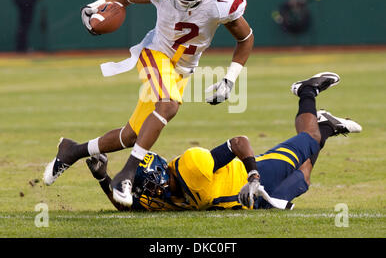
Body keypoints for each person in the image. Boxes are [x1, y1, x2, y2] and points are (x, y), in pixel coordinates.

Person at [43, 0, 254, 209]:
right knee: (168, 106)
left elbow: (245, 38)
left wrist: (230, 79)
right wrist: (95, 5)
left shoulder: (223, 0)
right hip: (155, 53)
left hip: (183, 69)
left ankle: (71, 151)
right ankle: (127, 175)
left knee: (132, 135)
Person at [86, 72, 362, 211]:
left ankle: (307, 92)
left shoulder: (191, 166)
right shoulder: (160, 195)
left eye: (147, 185)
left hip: (253, 176)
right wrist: (102, 178)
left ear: (159, 172)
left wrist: (253, 176)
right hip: (249, 203)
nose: (149, 192)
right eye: (142, 187)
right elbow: (129, 206)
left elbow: (238, 143)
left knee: (309, 140)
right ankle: (325, 125)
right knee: (304, 176)